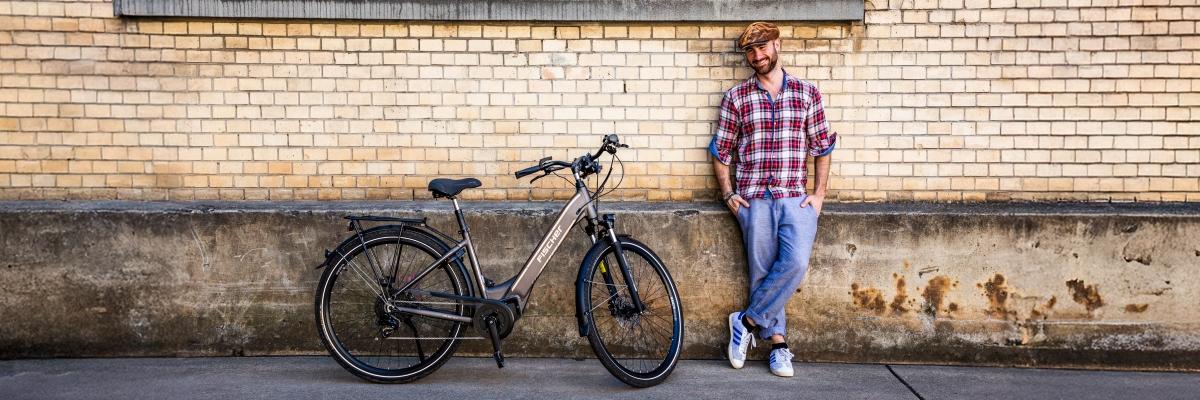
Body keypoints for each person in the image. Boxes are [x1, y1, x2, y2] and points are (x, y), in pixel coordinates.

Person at [708, 21, 837, 377]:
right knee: (762, 273)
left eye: (762, 47)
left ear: (777, 44)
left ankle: (745, 322)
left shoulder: (807, 93)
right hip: (754, 199)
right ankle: (779, 346)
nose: (757, 55)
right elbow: (721, 150)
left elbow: (822, 146)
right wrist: (728, 193)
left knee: (794, 264)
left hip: (796, 197)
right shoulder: (737, 97)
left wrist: (819, 194)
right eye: (750, 50)